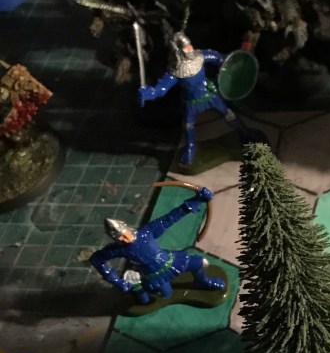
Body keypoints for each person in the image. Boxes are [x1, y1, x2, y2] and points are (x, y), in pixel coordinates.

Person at [89, 186, 224, 305]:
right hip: (152, 274)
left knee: (201, 263)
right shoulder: (118, 249)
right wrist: (116, 280)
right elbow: (96, 259)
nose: (124, 239)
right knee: (166, 294)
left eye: (124, 234)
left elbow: (169, 218)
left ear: (126, 228)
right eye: (119, 238)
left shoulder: (146, 232)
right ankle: (140, 293)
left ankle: (202, 281)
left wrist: (197, 199)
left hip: (170, 261)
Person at [138, 32, 255, 166]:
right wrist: (148, 93)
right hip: (191, 102)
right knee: (188, 125)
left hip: (209, 94)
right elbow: (161, 89)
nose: (190, 49)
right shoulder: (174, 71)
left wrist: (238, 59)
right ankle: (190, 147)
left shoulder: (200, 56)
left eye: (189, 45)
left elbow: (221, 59)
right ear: (177, 51)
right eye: (185, 47)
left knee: (228, 113)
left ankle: (244, 133)